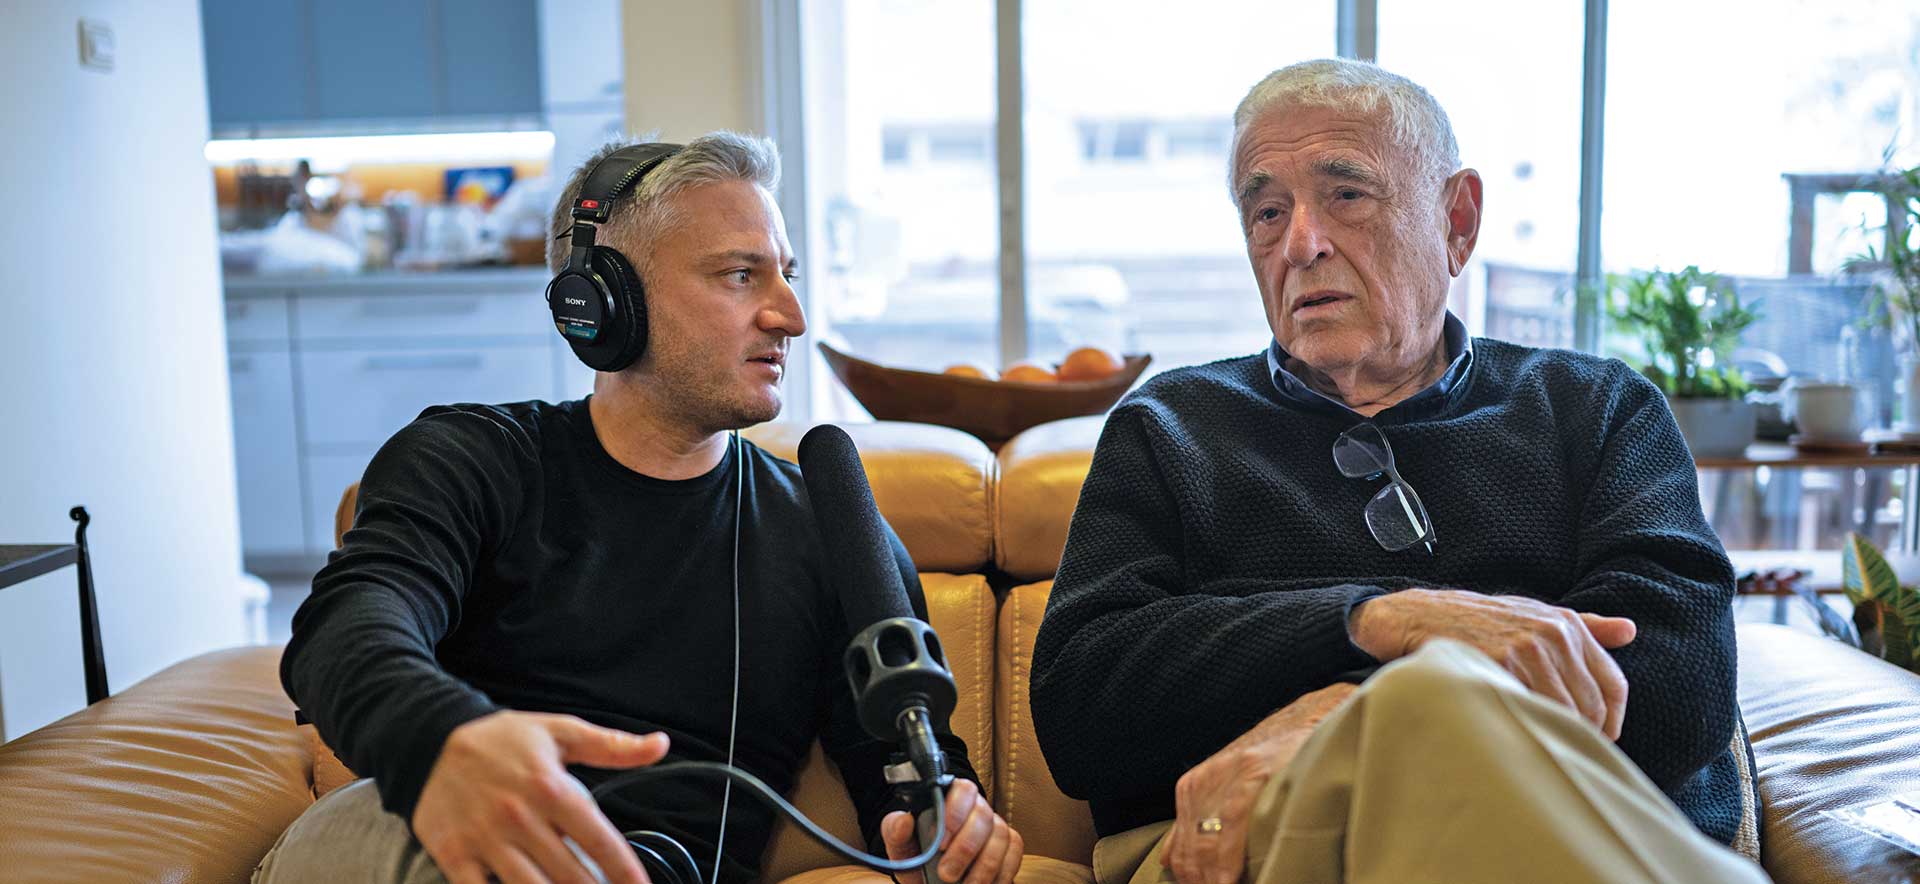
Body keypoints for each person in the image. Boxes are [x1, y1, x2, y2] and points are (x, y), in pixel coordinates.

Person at [1029, 59, 1765, 884]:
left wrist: (1350, 715)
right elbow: (1081, 708)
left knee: (1429, 722)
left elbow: (1674, 689)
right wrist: (1374, 621)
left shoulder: (1595, 409)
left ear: (1457, 221)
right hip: (1251, 843)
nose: (1300, 243)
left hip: (1548, 829)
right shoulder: (1170, 426)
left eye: (1346, 195)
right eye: (1267, 212)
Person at [254, 133, 1024, 884]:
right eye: (739, 276)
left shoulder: (832, 528)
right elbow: (344, 629)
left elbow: (908, 776)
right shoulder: (473, 459)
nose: (789, 316)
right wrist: (445, 743)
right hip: (440, 847)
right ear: (605, 303)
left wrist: (944, 825)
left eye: (786, 275)